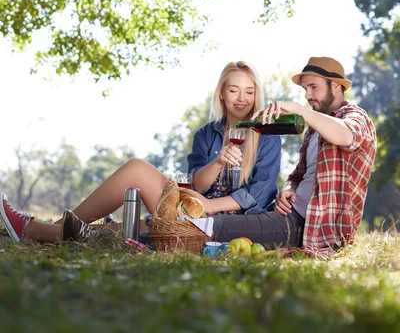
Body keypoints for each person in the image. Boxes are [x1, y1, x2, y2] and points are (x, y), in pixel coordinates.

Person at [0, 61, 281, 244]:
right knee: (136, 177)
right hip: (190, 208)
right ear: (222, 93)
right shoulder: (206, 135)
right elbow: (197, 184)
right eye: (234, 90)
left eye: (249, 91)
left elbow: (258, 194)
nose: (242, 99)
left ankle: (39, 230)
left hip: (224, 222)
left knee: (136, 224)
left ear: (256, 94)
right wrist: (219, 161)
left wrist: (208, 207)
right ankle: (46, 229)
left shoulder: (267, 135)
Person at [212, 57, 377, 252]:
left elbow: (346, 136)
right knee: (227, 222)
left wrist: (299, 110)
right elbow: (297, 175)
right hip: (289, 212)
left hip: (309, 225)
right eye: (305, 89)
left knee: (218, 226)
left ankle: (184, 231)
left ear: (336, 86)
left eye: (313, 87)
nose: (307, 95)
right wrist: (289, 188)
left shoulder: (356, 116)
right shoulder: (314, 130)